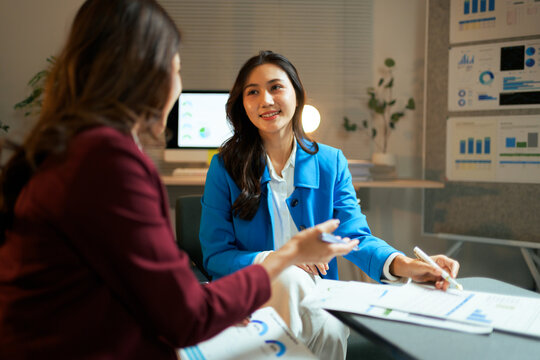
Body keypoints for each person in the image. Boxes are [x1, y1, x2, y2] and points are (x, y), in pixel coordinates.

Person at [0, 2, 359, 359]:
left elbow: (145, 290)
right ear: (148, 74)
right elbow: (186, 313)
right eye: (177, 67)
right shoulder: (109, 163)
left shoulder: (68, 150)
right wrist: (287, 257)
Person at [199, 50, 461, 359]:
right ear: (243, 104)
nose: (266, 100)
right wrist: (281, 259)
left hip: (316, 294)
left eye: (276, 87)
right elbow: (217, 256)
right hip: (252, 295)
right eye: (252, 92)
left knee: (330, 327)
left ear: (297, 94)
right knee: (315, 308)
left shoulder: (330, 162)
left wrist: (404, 265)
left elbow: (353, 236)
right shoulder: (224, 166)